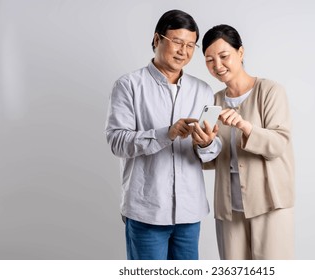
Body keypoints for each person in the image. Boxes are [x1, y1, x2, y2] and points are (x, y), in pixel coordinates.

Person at [104, 10, 220, 260]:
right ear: (157, 39)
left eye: (190, 45)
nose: (183, 51)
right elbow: (116, 141)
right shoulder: (128, 85)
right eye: (177, 42)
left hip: (190, 212)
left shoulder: (202, 90)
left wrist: (207, 143)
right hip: (147, 211)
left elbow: (211, 151)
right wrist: (165, 134)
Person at [194, 24, 295, 259]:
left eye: (223, 56)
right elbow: (208, 160)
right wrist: (204, 143)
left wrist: (244, 125)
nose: (217, 65)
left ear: (240, 52)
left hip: (270, 203)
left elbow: (279, 143)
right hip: (229, 209)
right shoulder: (213, 101)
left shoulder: (270, 91)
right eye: (209, 59)